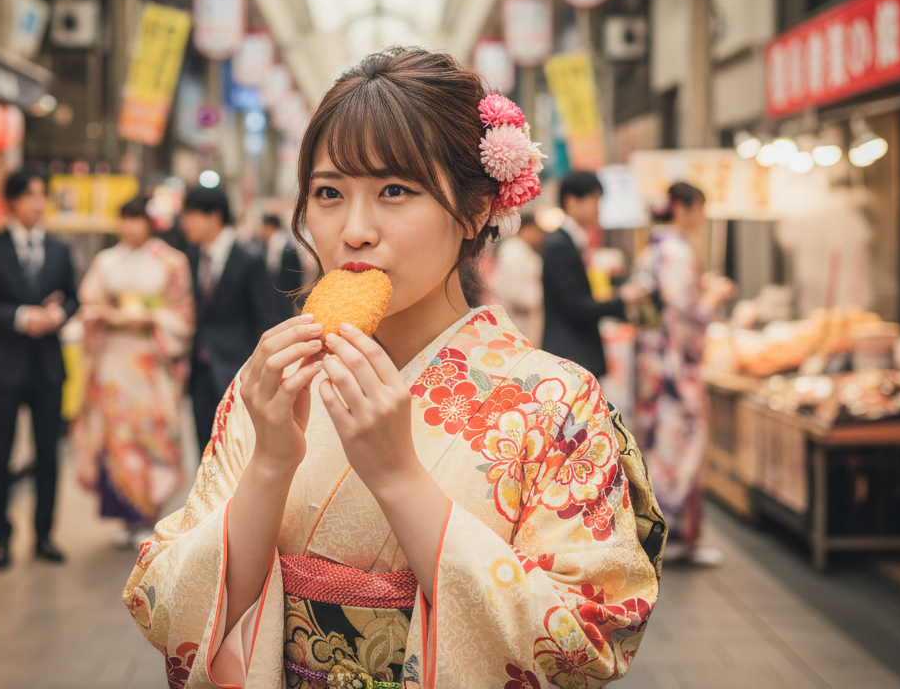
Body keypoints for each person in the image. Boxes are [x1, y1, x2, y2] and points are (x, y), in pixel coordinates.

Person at [124, 49, 663, 688]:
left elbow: (585, 640)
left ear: (473, 211)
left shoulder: (558, 402)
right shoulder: (270, 383)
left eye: (394, 191)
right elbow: (167, 600)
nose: (354, 230)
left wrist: (400, 476)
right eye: (328, 193)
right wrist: (271, 461)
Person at [0, 169, 78, 569]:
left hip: (47, 365)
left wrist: (58, 314)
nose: (37, 203)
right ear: (12, 200)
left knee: (48, 455)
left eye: (41, 195)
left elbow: (74, 298)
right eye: (31, 195)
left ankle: (44, 534)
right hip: (4, 365)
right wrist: (19, 316)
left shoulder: (59, 249)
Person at [70, 196, 195, 546]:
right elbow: (89, 301)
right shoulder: (106, 260)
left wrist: (151, 316)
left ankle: (148, 511)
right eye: (124, 220)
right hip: (112, 360)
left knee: (149, 432)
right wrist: (104, 314)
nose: (129, 228)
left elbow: (182, 311)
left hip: (149, 361)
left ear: (149, 224)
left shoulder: (171, 261)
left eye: (136, 220)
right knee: (115, 435)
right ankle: (124, 515)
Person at [632, 182, 735, 566]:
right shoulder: (674, 251)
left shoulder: (654, 249)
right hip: (673, 370)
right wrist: (712, 297)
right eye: (700, 209)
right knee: (678, 447)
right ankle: (671, 538)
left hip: (654, 367)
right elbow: (684, 316)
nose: (702, 219)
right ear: (685, 209)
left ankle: (662, 535)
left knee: (659, 446)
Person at [181, 187, 283, 452]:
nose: (185, 223)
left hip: (236, 370)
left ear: (214, 216)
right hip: (199, 372)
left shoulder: (248, 259)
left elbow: (266, 318)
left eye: (191, 215)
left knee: (235, 451)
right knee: (204, 450)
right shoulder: (190, 258)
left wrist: (256, 372)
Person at [542, 171, 643, 377]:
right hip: (570, 352)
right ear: (571, 200)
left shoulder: (571, 242)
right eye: (594, 200)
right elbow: (576, 306)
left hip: (575, 351)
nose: (598, 208)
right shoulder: (560, 245)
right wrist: (621, 300)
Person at [489, 212, 545, 346]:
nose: (539, 236)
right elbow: (515, 293)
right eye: (535, 230)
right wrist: (543, 296)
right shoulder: (513, 251)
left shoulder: (524, 249)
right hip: (517, 319)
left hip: (528, 319)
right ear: (527, 229)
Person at [258, 213, 304, 317]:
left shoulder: (288, 247)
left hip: (286, 295)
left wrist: (296, 298)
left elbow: (296, 275)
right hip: (275, 295)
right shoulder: (265, 245)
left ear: (271, 226)